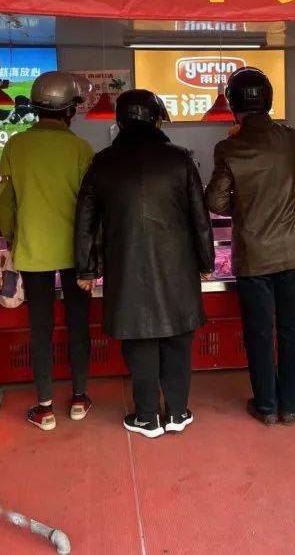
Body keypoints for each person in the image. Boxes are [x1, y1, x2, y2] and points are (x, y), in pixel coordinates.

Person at [74, 90, 215, 438]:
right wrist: (206, 261)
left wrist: (86, 269)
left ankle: (148, 416)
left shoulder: (102, 163)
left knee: (139, 343)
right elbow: (201, 218)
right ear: (156, 120)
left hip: (127, 268)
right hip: (177, 268)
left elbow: (85, 222)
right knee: (178, 340)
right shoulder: (180, 160)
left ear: (120, 122)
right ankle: (178, 412)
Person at [206, 68, 295, 426]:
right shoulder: (292, 139)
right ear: (269, 100)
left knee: (258, 331)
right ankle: (293, 403)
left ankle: (266, 406)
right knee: (294, 330)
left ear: (233, 105)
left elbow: (217, 203)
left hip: (254, 256)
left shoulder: (229, 147)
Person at [0, 71, 95, 431]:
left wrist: (13, 235)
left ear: (36, 109)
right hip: (75, 254)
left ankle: (45, 406)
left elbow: (5, 203)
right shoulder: (82, 149)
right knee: (77, 324)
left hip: (34, 251)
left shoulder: (16, 147)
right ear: (70, 111)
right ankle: (80, 398)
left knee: (40, 327)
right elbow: (91, 206)